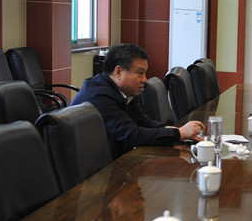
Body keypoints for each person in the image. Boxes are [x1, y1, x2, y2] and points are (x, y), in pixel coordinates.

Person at [72, 43, 204, 159]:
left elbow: (143, 121)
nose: (145, 80)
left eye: (145, 74)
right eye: (140, 73)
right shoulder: (99, 96)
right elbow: (131, 135)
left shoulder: (124, 90)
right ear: (118, 72)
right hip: (93, 173)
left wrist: (171, 130)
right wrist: (179, 133)